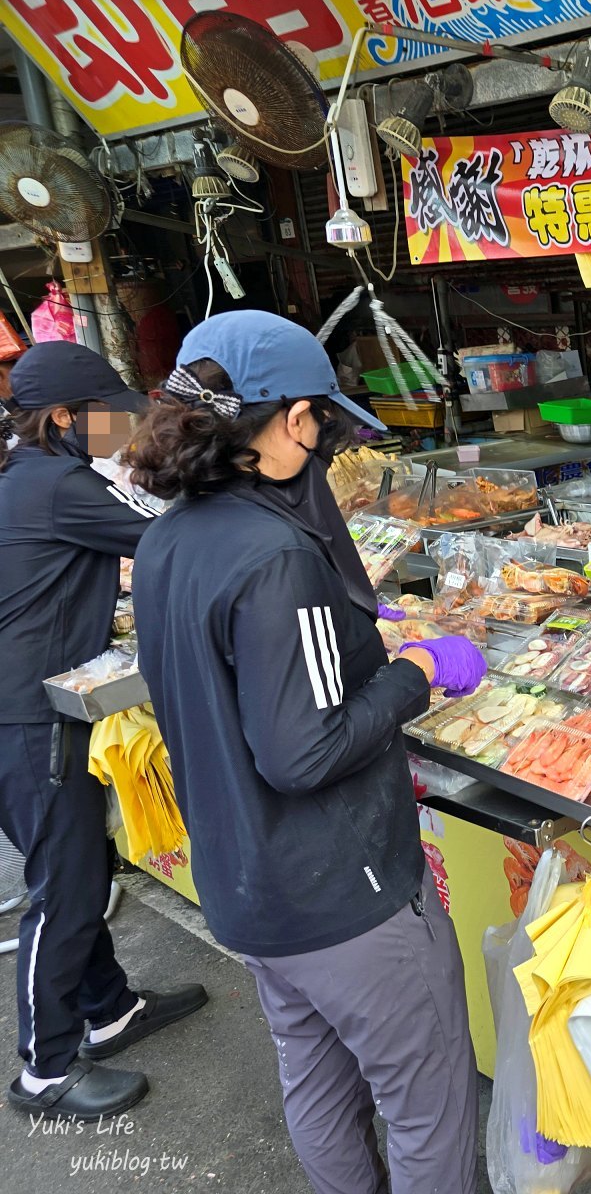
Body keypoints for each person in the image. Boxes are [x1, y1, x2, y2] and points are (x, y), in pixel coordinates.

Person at [129, 310, 485, 1194]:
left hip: (246, 886)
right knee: (426, 1102)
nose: (324, 437)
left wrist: (354, 635)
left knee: (317, 1083)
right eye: (320, 419)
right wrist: (413, 671)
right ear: (291, 420)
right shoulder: (276, 552)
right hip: (345, 899)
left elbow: (243, 674)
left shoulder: (171, 535)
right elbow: (303, 751)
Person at [0, 342, 207, 1120]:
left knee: (75, 864)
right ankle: (44, 1072)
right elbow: (174, 532)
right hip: (25, 714)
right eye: (110, 410)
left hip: (25, 704)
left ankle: (110, 1010)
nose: (126, 421)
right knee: (65, 887)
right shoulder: (58, 485)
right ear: (62, 419)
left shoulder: (28, 477)